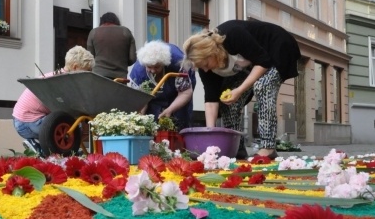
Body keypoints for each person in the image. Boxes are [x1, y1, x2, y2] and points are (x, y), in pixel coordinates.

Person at [182, 19, 301, 160]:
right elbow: (211, 100)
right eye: (202, 67)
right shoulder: (206, 69)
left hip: (277, 47)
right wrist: (211, 138)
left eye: (206, 64)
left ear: (211, 52)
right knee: (226, 101)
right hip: (252, 63)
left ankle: (268, 147)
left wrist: (239, 91)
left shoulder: (232, 34)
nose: (205, 69)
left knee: (263, 85)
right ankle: (236, 148)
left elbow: (263, 62)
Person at [13, 46, 94, 152]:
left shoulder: (55, 76)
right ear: (75, 67)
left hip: (18, 120)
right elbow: (68, 110)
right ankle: (61, 150)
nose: (88, 75)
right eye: (87, 71)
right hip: (31, 122)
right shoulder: (65, 83)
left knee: (68, 122)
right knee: (75, 126)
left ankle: (40, 148)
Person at [129, 40, 194, 128]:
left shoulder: (178, 64)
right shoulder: (138, 72)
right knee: (152, 119)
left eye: (156, 67)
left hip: (178, 92)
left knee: (180, 118)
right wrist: (140, 121)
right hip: (153, 96)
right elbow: (142, 101)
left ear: (164, 64)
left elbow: (185, 92)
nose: (152, 70)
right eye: (149, 67)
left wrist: (170, 110)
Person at [86, 12, 136, 79]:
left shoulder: (93, 32)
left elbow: (89, 58)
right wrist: (122, 63)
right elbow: (132, 58)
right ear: (116, 21)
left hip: (98, 76)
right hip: (120, 78)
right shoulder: (126, 32)